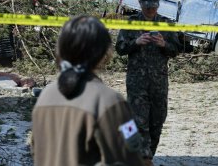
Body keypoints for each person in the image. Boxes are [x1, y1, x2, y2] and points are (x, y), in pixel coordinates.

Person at [32, 15, 144, 166]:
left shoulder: (45, 96)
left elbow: (37, 151)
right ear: (104, 52)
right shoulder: (109, 101)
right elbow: (130, 159)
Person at [116, 0, 181, 166]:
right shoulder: (131, 23)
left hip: (159, 81)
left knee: (157, 122)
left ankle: (147, 157)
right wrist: (135, 43)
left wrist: (163, 44)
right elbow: (120, 48)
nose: (150, 10)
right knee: (139, 121)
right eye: (147, 6)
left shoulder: (166, 24)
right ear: (140, 4)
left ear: (158, 5)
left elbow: (176, 50)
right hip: (137, 81)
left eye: (153, 6)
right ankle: (142, 159)